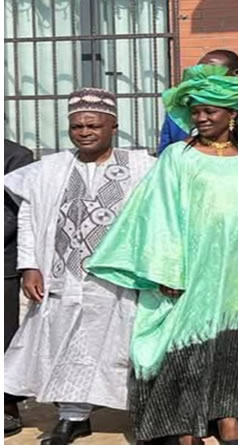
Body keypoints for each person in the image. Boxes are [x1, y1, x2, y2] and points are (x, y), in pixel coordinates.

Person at [86, 65, 238, 444]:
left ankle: (229, 422)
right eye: (195, 111)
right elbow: (158, 215)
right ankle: (185, 428)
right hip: (193, 269)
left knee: (233, 344)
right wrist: (166, 269)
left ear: (233, 114)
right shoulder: (178, 157)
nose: (201, 118)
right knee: (187, 344)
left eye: (210, 110)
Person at [3, 88, 155, 445]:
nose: (84, 132)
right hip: (64, 278)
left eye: (93, 125)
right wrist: (29, 265)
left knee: (128, 346)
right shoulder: (50, 169)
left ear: (113, 126)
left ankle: (147, 419)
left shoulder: (143, 166)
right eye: (77, 126)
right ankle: (73, 417)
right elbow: (27, 217)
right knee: (68, 344)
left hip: (121, 280)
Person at [157, 49, 238, 156]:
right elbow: (164, 155)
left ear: (237, 74)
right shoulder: (181, 104)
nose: (205, 78)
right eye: (200, 72)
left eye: (212, 72)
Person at [3, 139, 34, 438]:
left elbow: (16, 211)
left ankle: (7, 403)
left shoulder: (15, 156)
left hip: (3, 260)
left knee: (4, 334)